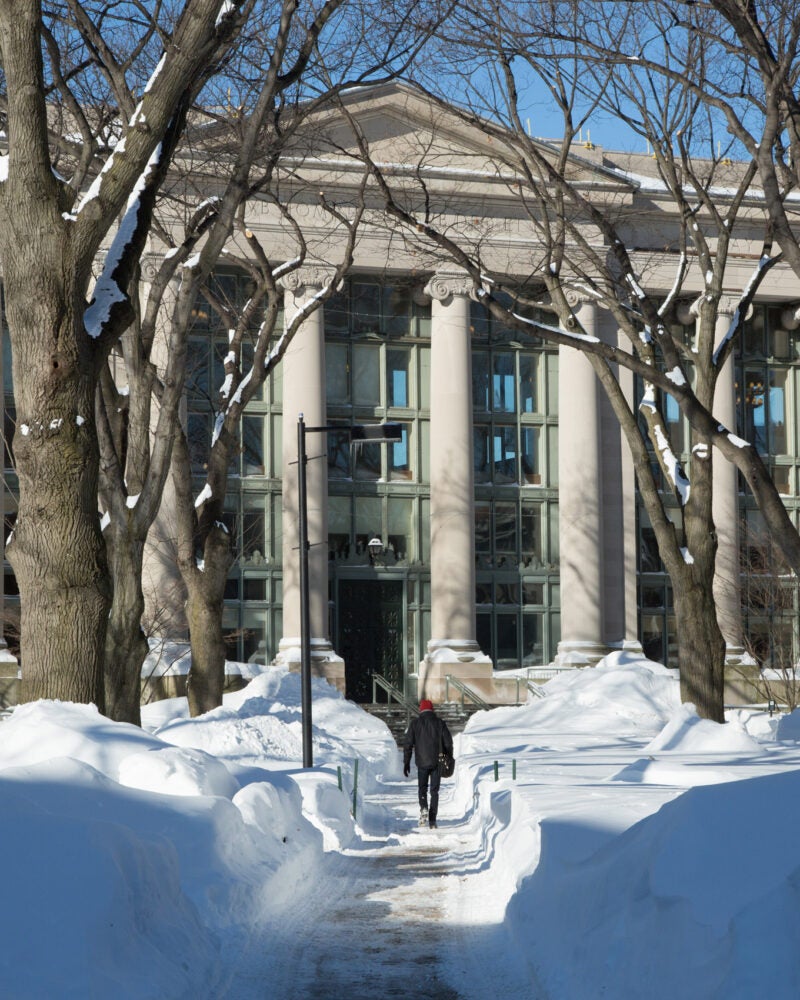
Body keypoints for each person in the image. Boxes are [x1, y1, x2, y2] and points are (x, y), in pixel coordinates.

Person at [402, 699, 453, 829]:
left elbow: (408, 744)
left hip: (422, 762)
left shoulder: (415, 724)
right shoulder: (440, 723)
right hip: (437, 761)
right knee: (434, 791)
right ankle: (432, 820)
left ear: (421, 710)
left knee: (422, 788)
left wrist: (406, 762)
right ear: (432, 710)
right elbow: (448, 742)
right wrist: (449, 756)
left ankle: (423, 807)